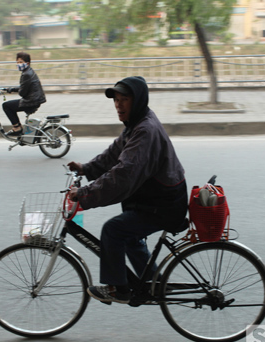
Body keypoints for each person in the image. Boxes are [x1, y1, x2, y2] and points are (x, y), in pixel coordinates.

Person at [67, 76, 188, 304]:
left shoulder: (144, 131)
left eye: (124, 100)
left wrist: (85, 194)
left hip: (163, 205)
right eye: (116, 100)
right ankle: (155, 284)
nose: (118, 105)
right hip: (157, 200)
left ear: (138, 101)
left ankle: (117, 289)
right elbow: (114, 153)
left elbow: (122, 175)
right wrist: (86, 168)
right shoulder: (136, 123)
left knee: (113, 230)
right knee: (128, 234)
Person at [3, 52, 46, 137]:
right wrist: (11, 89)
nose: (19, 64)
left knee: (6, 106)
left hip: (31, 101)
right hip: (35, 99)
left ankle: (17, 128)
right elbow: (24, 87)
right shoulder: (29, 71)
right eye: (17, 62)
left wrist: (17, 90)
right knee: (10, 105)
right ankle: (19, 128)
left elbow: (22, 92)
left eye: (21, 62)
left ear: (27, 63)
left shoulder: (26, 74)